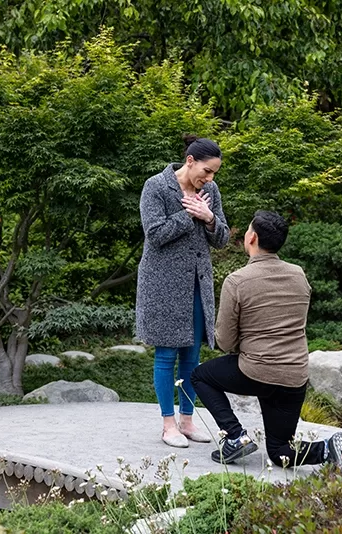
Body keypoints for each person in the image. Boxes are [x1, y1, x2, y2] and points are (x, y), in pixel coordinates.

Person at [192, 210, 342, 467]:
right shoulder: (298, 274)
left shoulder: (237, 281)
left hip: (256, 371)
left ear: (252, 238)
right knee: (280, 452)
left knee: (200, 376)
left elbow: (224, 341)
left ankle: (235, 436)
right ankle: (327, 450)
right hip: (294, 376)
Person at [136, 136, 230, 448]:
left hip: (197, 284)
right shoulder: (156, 186)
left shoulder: (210, 192)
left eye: (214, 173)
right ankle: (168, 425)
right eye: (207, 170)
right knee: (166, 354)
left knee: (193, 355)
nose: (210, 178)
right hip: (162, 285)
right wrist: (189, 215)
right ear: (189, 161)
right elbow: (155, 234)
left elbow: (222, 238)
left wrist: (210, 218)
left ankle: (188, 421)